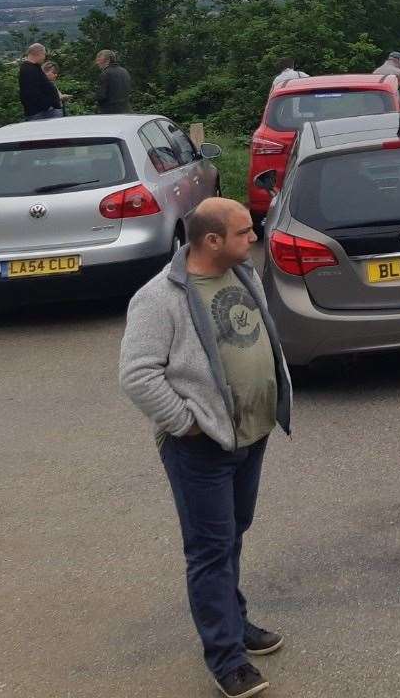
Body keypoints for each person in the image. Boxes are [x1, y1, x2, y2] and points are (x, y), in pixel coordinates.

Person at [119, 198, 293, 698]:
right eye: (244, 233)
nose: (253, 239)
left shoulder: (242, 274)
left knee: (231, 535)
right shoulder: (159, 297)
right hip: (202, 449)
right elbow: (137, 374)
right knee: (210, 551)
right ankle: (226, 658)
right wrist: (186, 424)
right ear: (211, 241)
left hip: (251, 434)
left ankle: (234, 625)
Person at [18, 43, 63, 120]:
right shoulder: (28, 70)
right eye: (44, 54)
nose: (44, 57)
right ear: (39, 53)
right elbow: (31, 93)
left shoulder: (34, 67)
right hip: (41, 113)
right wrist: (48, 105)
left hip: (45, 111)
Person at [94, 49, 133, 114]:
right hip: (126, 111)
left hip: (110, 113)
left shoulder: (105, 74)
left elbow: (101, 96)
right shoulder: (124, 71)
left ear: (108, 60)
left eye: (99, 60)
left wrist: (91, 97)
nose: (97, 63)